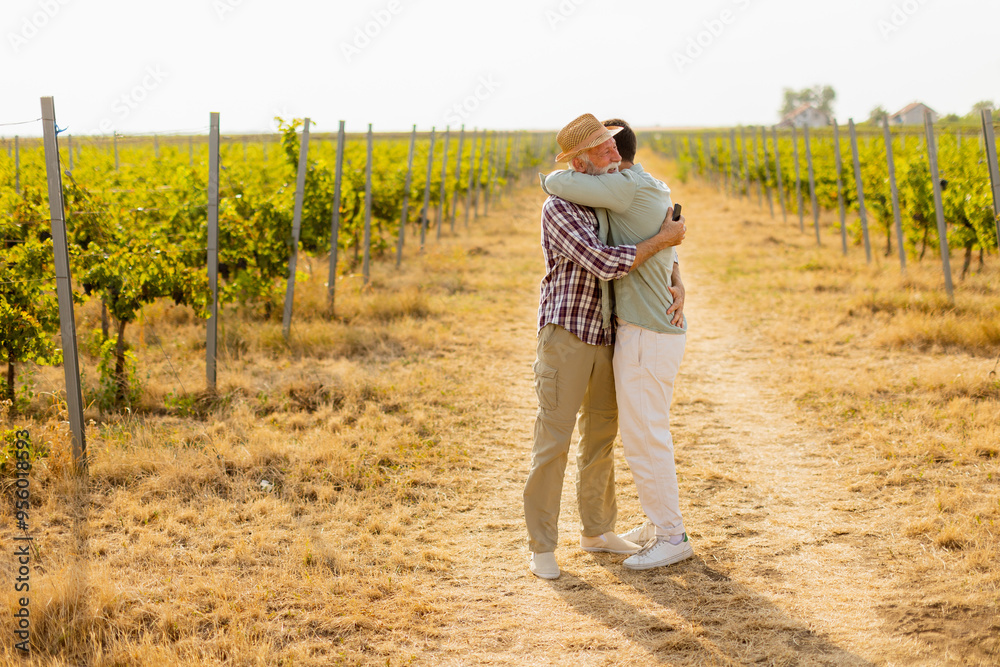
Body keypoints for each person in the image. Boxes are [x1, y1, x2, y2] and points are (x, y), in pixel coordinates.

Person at [524, 113, 686, 580]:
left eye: (613, 146)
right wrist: (662, 240)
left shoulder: (604, 198)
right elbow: (605, 261)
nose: (615, 153)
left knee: (600, 439)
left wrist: (675, 273)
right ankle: (542, 546)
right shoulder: (559, 207)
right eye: (603, 149)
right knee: (552, 441)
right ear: (579, 162)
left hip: (608, 334)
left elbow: (645, 238)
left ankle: (597, 531)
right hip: (568, 335)